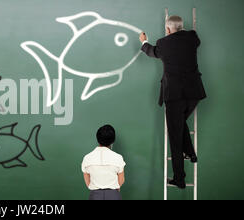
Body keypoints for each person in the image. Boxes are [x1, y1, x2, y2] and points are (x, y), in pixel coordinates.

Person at [139, 15, 206, 188]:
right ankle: (190, 153)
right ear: (181, 27)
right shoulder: (193, 37)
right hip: (194, 93)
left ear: (168, 29)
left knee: (175, 137)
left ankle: (180, 179)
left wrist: (144, 41)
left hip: (174, 96)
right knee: (179, 124)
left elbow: (151, 51)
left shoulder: (163, 43)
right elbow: (192, 40)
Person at [81, 125, 126, 200]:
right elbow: (121, 180)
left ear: (97, 138)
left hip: (95, 196)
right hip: (113, 195)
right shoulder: (118, 158)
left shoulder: (87, 158)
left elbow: (87, 182)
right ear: (113, 140)